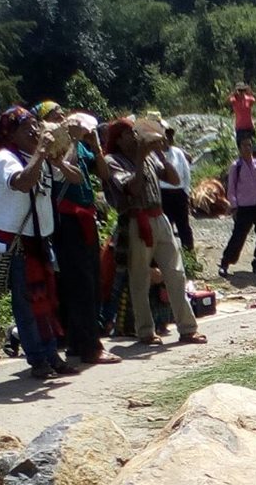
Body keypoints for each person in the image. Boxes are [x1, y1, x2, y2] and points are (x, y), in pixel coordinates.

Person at [0, 105, 83, 379]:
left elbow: (74, 178)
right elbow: (22, 183)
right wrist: (41, 152)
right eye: (24, 127)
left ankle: (51, 354)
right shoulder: (5, 158)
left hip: (40, 240)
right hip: (19, 243)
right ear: (11, 133)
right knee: (27, 304)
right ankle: (37, 359)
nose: (33, 130)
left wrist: (59, 156)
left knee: (46, 302)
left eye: (34, 124)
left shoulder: (37, 157)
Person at [103, 118, 208, 347]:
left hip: (159, 217)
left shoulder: (149, 157)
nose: (135, 136)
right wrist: (141, 156)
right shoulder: (113, 161)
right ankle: (145, 331)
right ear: (119, 140)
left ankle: (187, 328)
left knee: (175, 273)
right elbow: (133, 188)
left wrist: (159, 153)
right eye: (130, 133)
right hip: (136, 220)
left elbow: (173, 179)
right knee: (140, 278)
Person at [48, 108, 121, 366]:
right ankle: (91, 347)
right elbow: (62, 172)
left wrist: (95, 145)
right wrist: (73, 140)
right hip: (67, 221)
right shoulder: (55, 147)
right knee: (80, 285)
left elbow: (102, 173)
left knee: (91, 281)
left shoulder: (81, 148)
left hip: (85, 218)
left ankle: (80, 342)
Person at [220, 137, 256, 279]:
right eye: (245, 145)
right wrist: (234, 205)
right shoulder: (236, 166)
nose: (248, 148)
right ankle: (225, 262)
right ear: (240, 148)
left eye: (249, 145)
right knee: (238, 236)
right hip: (245, 206)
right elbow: (231, 187)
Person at [159, 127, 195, 252]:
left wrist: (186, 192)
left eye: (169, 136)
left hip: (179, 193)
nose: (167, 139)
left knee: (183, 226)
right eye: (165, 136)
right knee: (165, 226)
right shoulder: (154, 154)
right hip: (163, 194)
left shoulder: (178, 153)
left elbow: (186, 173)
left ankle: (189, 255)